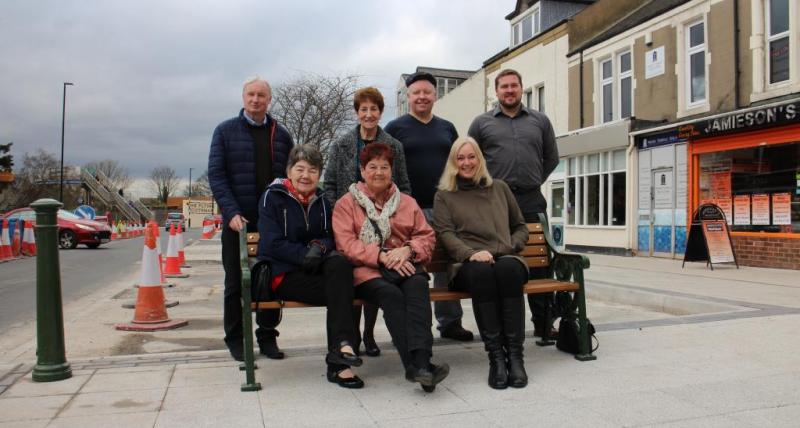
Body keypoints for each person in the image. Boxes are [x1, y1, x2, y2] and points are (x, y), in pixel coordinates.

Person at [332, 142, 448, 390]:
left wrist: (408, 249)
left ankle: (422, 363)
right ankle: (416, 366)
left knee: (418, 286)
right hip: (366, 272)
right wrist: (382, 256)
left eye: (384, 167)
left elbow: (426, 236)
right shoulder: (346, 203)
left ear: (391, 171)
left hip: (404, 266)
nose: (378, 172)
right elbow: (346, 244)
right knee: (391, 296)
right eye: (372, 167)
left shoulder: (406, 202)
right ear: (362, 171)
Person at [258, 145, 364, 388]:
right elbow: (272, 243)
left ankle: (341, 353)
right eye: (300, 169)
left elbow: (330, 235)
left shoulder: (324, 200)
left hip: (316, 267)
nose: (306, 176)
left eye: (312, 170)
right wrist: (304, 254)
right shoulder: (272, 197)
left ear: (319, 174)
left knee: (339, 263)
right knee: (343, 290)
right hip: (284, 274)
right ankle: (341, 361)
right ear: (289, 171)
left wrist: (320, 247)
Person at [468, 68, 560, 338]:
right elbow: (470, 161)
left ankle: (544, 325)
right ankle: (501, 327)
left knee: (540, 264)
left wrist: (532, 179)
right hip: (494, 202)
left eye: (514, 86)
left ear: (521, 88)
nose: (509, 90)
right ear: (496, 92)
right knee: (497, 261)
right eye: (503, 86)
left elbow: (551, 158)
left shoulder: (540, 121)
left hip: (531, 200)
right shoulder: (481, 123)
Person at [433, 137, 530, 389]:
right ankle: (496, 358)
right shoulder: (445, 195)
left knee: (509, 269)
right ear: (454, 163)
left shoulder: (499, 188)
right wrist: (470, 253)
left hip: (504, 257)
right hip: (468, 263)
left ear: (479, 159)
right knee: (482, 274)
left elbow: (520, 226)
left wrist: (511, 247)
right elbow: (445, 234)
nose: (467, 163)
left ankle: (516, 358)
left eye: (471, 156)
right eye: (461, 158)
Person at [208, 76, 293, 362]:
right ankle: (235, 339)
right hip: (238, 222)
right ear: (243, 97)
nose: (256, 100)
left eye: (261, 95)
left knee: (271, 281)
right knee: (235, 283)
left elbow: (290, 179)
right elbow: (217, 177)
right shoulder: (224, 131)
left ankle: (267, 336)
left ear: (269, 100)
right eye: (251, 94)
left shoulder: (281, 135)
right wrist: (231, 213)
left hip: (272, 223)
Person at [385, 71, 474, 343]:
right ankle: (416, 326)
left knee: (448, 264)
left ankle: (450, 323)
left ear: (435, 96)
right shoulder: (395, 128)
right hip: (408, 210)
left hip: (446, 207)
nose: (422, 97)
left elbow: (461, 165)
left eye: (427, 92)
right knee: (415, 267)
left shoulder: (446, 128)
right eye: (416, 93)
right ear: (408, 97)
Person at [324, 87, 412, 357]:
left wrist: (397, 214)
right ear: (357, 112)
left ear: (381, 112)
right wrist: (339, 213)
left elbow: (404, 184)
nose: (369, 114)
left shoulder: (393, 145)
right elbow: (329, 184)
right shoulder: (341, 144)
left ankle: (369, 334)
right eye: (364, 109)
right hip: (350, 223)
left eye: (374, 109)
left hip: (383, 222)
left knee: (377, 276)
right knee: (353, 277)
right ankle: (352, 337)